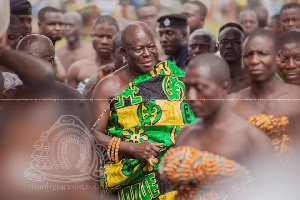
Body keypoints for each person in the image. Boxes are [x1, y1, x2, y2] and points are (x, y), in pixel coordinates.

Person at [90, 21, 195, 199]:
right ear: (123, 52)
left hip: (179, 171)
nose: (147, 54)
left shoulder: (173, 74)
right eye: (139, 50)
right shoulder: (108, 87)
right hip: (136, 181)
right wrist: (132, 148)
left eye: (151, 47)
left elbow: (195, 117)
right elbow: (95, 134)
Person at [159, 53, 274, 199]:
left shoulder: (251, 139)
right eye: (187, 88)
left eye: (200, 88)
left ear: (223, 88)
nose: (191, 96)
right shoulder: (186, 133)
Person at [227, 29, 300, 161]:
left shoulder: (296, 99)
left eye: (262, 54)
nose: (255, 61)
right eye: (249, 55)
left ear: (277, 57)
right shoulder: (232, 103)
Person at [67, 15, 119, 88]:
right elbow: (70, 99)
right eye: (100, 36)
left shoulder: (124, 69)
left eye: (110, 37)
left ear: (117, 39)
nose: (104, 41)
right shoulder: (77, 68)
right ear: (92, 36)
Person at [82, 31, 125, 98]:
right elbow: (83, 106)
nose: (130, 56)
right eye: (124, 52)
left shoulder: (145, 78)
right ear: (113, 54)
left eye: (136, 50)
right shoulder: (97, 79)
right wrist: (98, 84)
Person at [218, 22, 250, 93]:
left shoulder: (254, 81)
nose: (229, 46)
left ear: (244, 45)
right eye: (225, 42)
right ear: (218, 47)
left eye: (235, 42)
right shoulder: (211, 80)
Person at [38, 6, 65, 82]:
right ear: (40, 25)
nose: (58, 28)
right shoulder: (35, 51)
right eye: (52, 24)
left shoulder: (53, 54)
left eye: (61, 24)